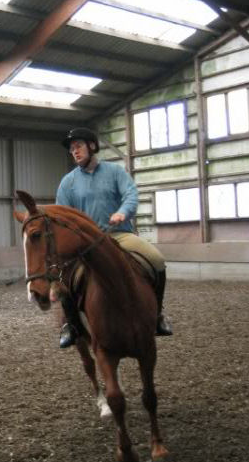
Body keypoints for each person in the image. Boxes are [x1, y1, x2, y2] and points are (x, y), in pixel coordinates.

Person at [55, 127, 173, 348]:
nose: (75, 152)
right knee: (63, 277)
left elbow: (131, 194)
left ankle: (157, 315)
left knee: (157, 260)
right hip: (86, 244)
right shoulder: (67, 182)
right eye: (71, 149)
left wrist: (123, 212)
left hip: (119, 235)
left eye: (78, 146)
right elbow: (62, 214)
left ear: (92, 146)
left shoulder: (115, 172)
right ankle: (71, 325)